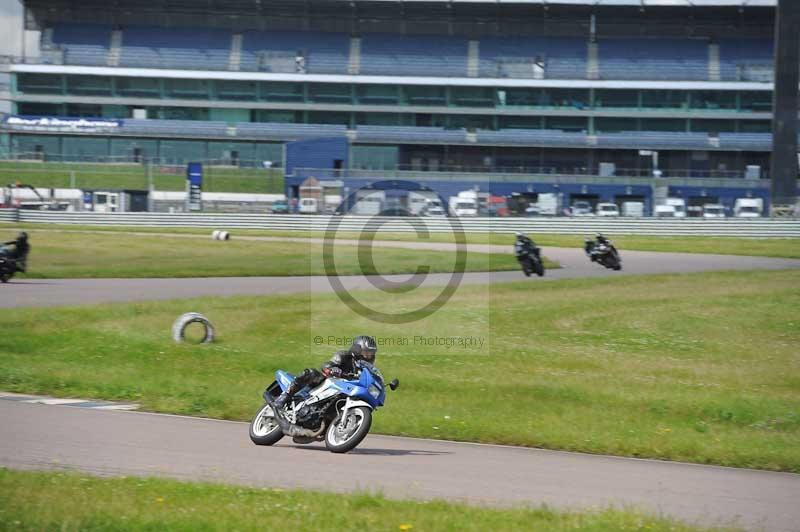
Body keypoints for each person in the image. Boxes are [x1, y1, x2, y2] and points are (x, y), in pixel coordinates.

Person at [273, 335, 378, 410]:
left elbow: (368, 379)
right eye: (366, 353)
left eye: (371, 354)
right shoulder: (344, 355)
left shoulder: (364, 368)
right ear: (357, 350)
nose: (369, 356)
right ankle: (286, 396)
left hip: (345, 390)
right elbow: (326, 365)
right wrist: (333, 369)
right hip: (329, 383)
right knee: (312, 373)